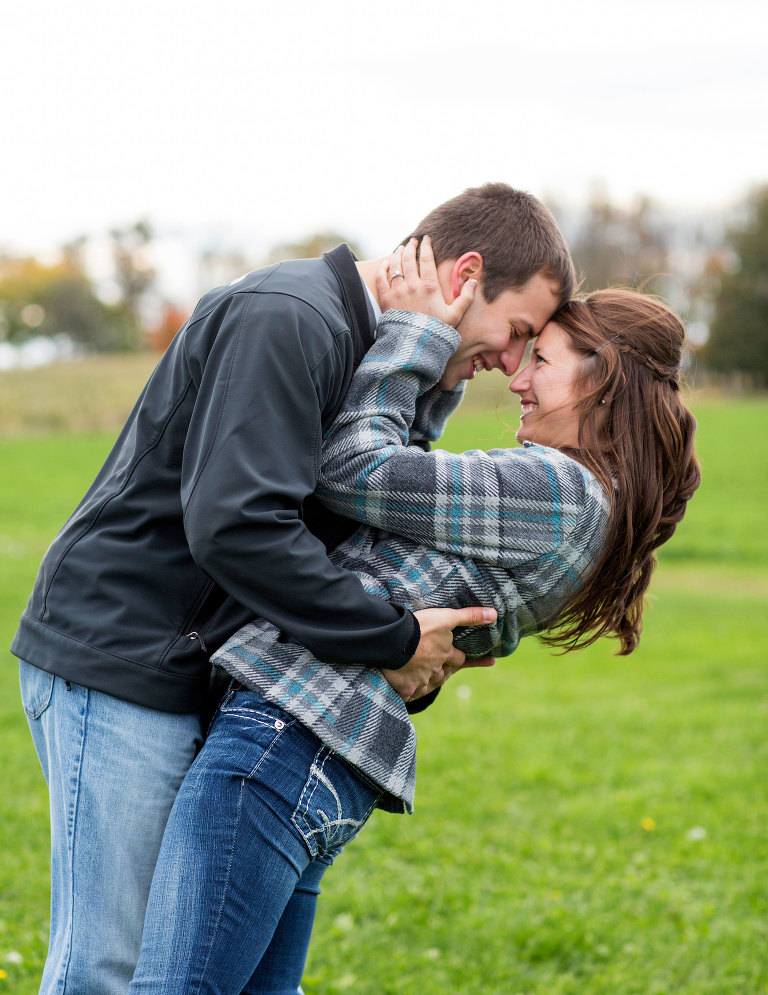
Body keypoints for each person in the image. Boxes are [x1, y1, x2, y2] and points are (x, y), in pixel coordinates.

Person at [14, 184, 574, 994]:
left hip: (186, 664)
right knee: (111, 963)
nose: (513, 362)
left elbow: (353, 524)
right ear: (466, 274)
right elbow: (239, 526)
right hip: (123, 654)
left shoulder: (369, 350)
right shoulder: (294, 316)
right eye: (517, 331)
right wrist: (391, 637)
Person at [128, 238, 701, 993]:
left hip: (284, 735)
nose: (520, 381)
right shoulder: (587, 505)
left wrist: (418, 338)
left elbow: (353, 470)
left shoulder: (558, 493)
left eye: (544, 361)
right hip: (322, 752)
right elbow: (401, 497)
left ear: (604, 382)